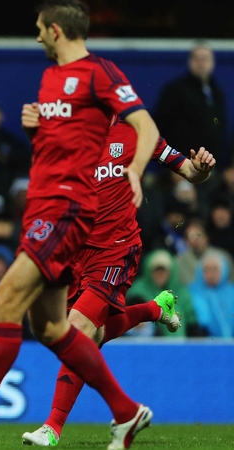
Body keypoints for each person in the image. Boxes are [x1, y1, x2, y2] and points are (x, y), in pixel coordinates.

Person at [0, 2, 160, 449]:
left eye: (38, 30)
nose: (35, 38)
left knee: (5, 301)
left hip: (67, 209)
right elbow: (60, 147)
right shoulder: (50, 78)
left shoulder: (99, 73)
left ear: (55, 29)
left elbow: (145, 126)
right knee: (50, 329)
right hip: (42, 207)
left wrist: (135, 169)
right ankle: (126, 413)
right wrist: (36, 131)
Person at [21, 118, 215, 446]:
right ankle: (155, 309)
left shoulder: (137, 134)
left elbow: (189, 171)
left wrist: (202, 168)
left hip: (116, 249)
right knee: (88, 337)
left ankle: (54, 427)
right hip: (76, 252)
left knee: (77, 329)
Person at [154, 43, 227, 166]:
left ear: (212, 62)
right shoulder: (175, 90)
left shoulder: (217, 92)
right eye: (196, 58)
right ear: (189, 61)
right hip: (181, 166)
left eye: (204, 59)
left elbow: (220, 128)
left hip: (213, 167)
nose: (200, 63)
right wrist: (173, 164)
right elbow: (160, 128)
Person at [189, 253, 234, 338]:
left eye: (215, 269)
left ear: (223, 270)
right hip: (204, 344)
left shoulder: (231, 293)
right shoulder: (192, 292)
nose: (211, 274)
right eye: (207, 270)